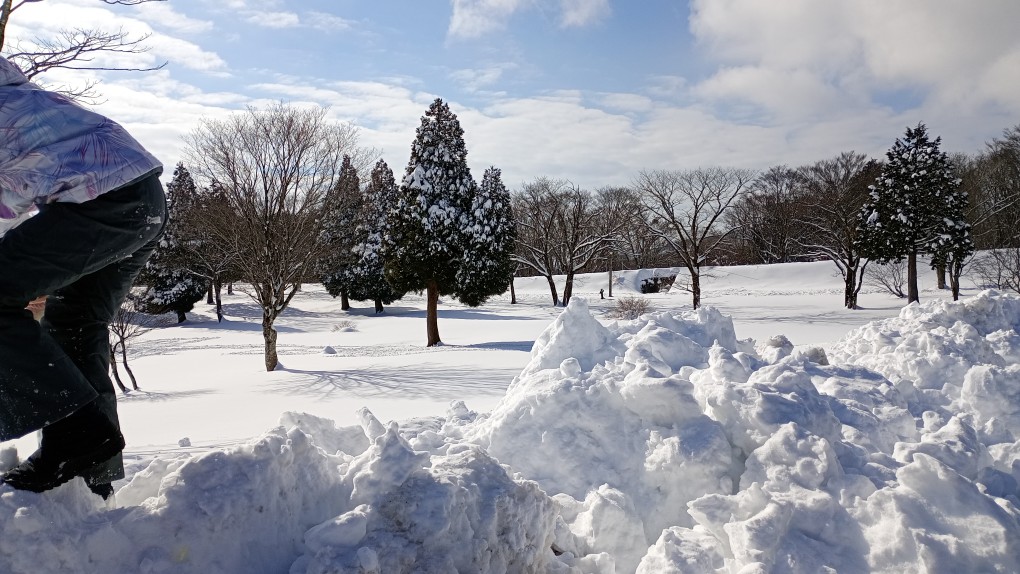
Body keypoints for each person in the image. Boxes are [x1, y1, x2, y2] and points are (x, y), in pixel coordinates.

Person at [0, 55, 166, 497]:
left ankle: (79, 437)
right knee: (76, 322)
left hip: (97, 203)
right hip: (144, 199)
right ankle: (91, 477)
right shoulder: (20, 96)